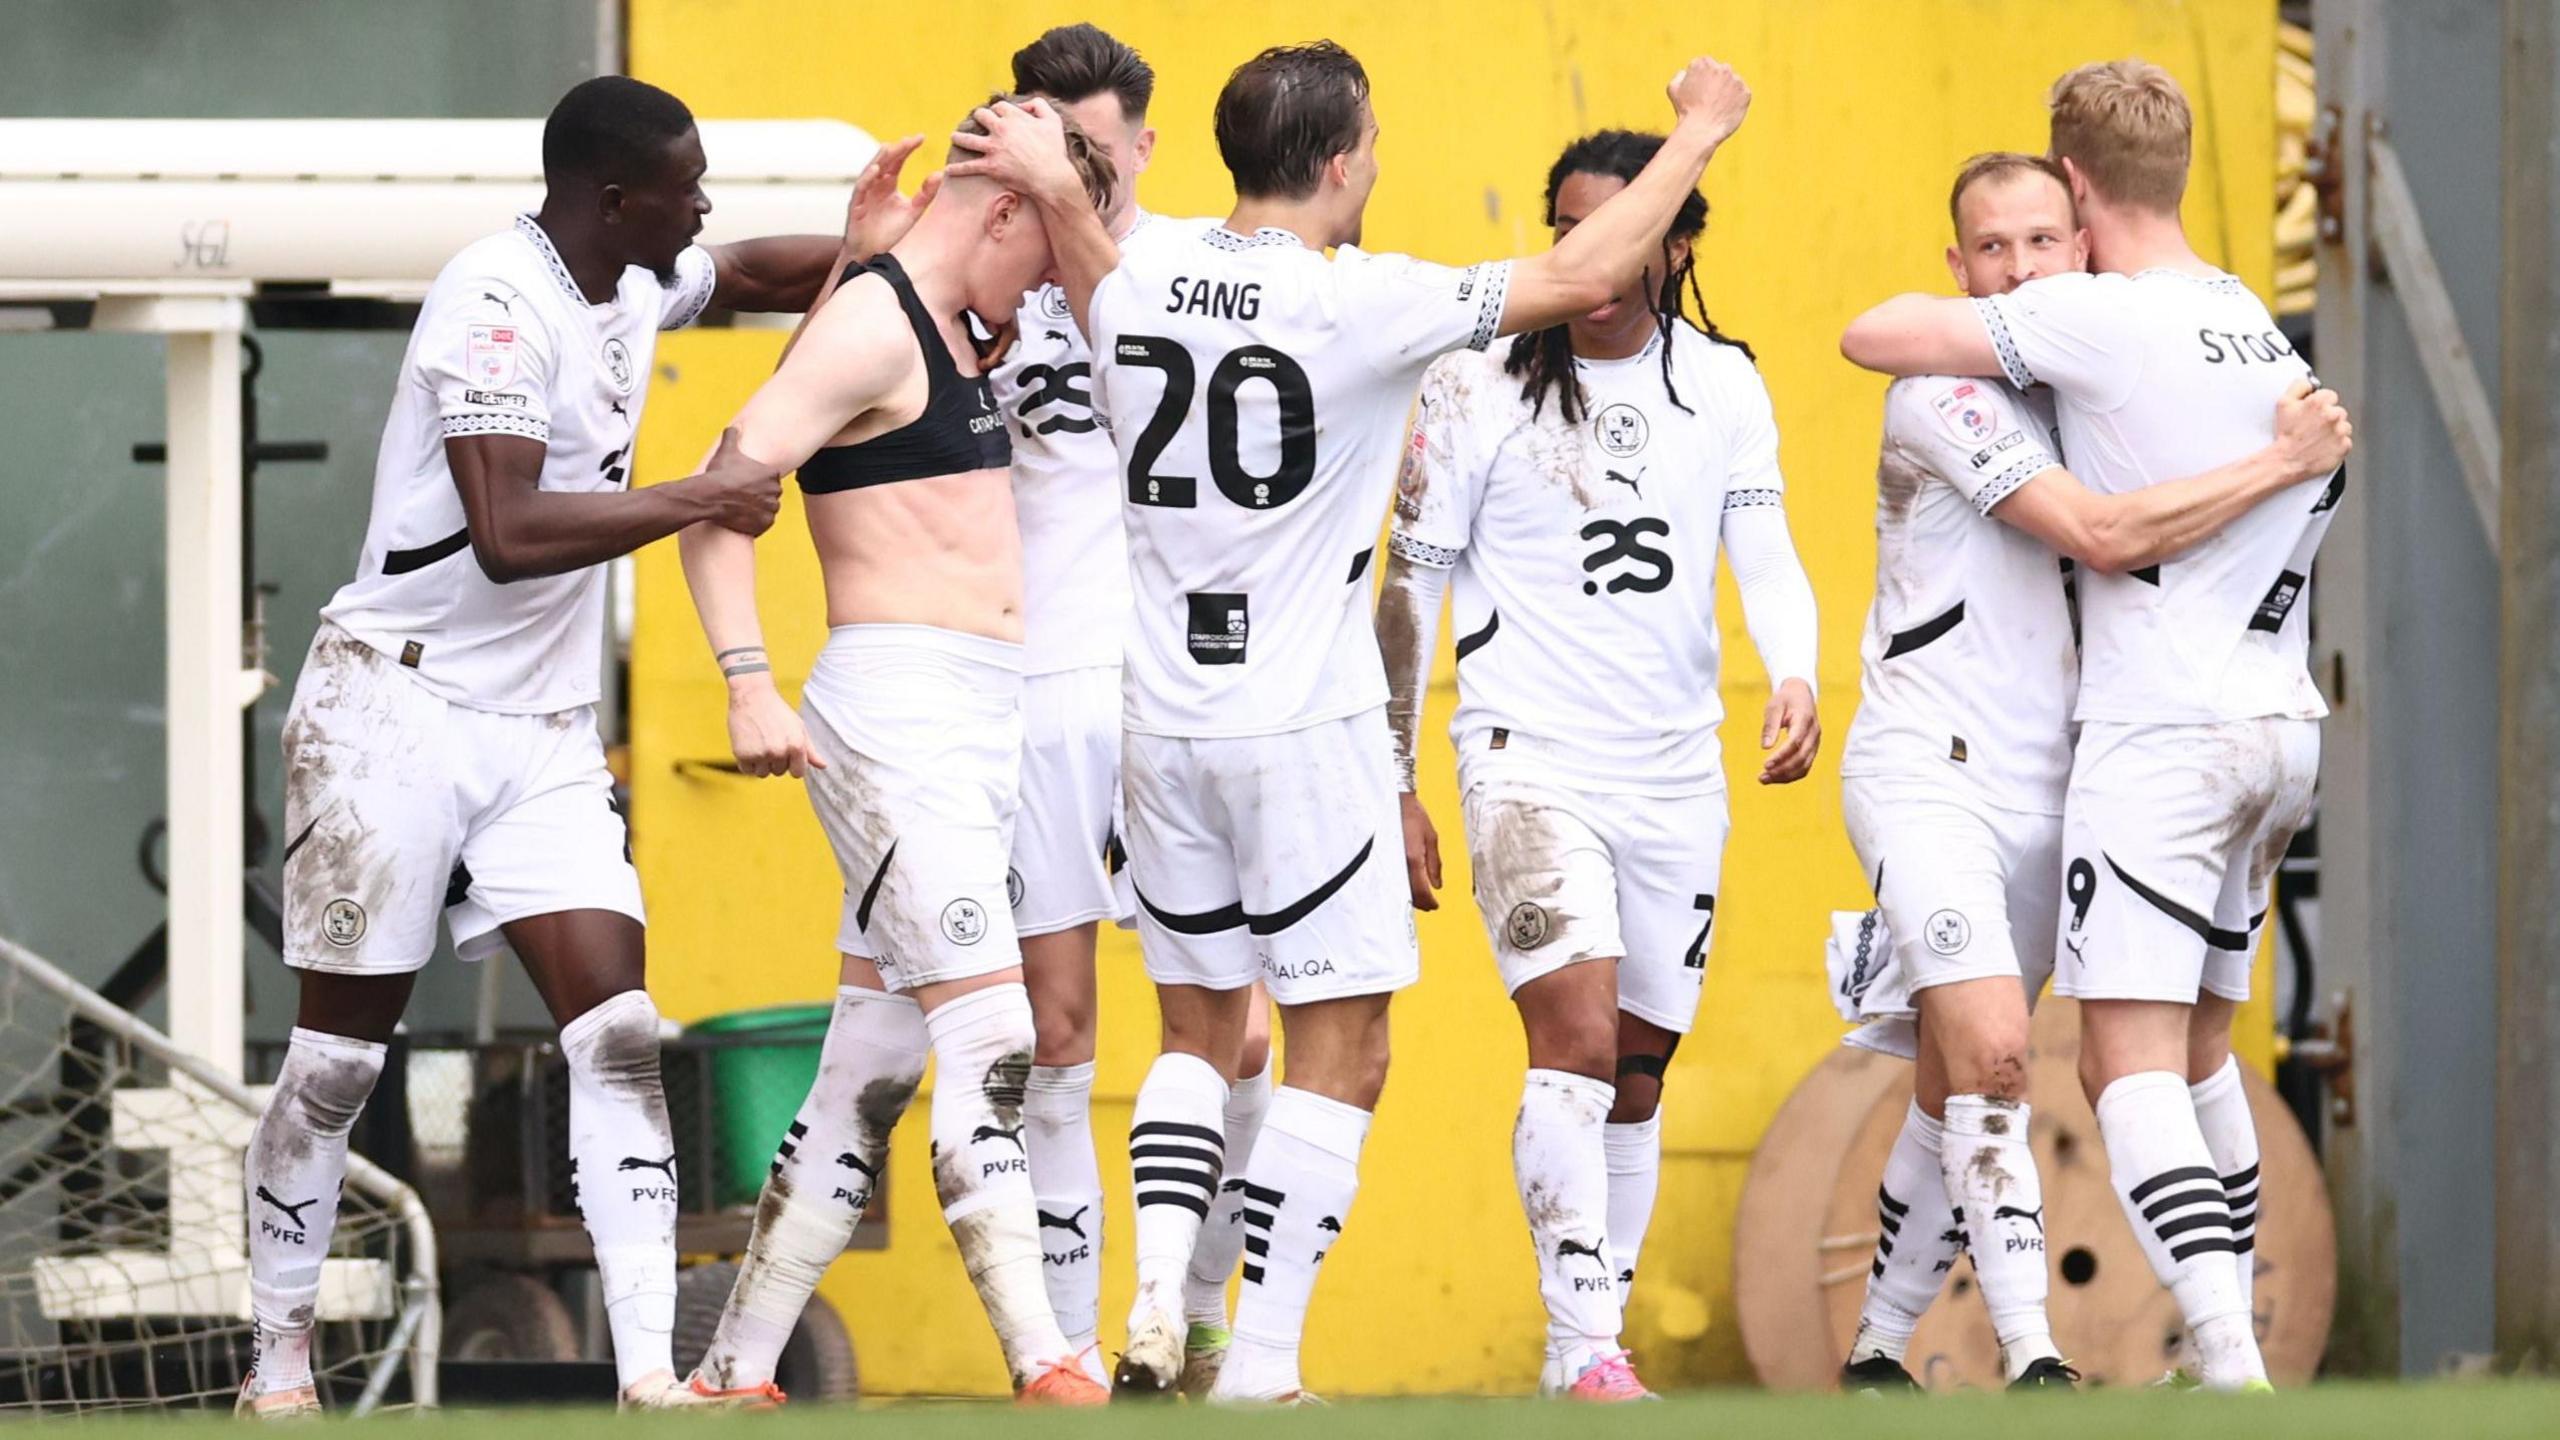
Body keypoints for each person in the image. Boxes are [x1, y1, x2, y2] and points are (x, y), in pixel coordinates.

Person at [950, 41, 1755, 1403]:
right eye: (1372, 144)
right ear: (1337, 163)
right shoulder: (1363, 300)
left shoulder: (1138, 270)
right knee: (1344, 1047)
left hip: (1163, 726)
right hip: (1307, 727)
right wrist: (1697, 137)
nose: (1377, 163)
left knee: (1197, 1033)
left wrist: (1046, 168)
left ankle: (1150, 1303)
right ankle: (1260, 1365)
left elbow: (1087, 255)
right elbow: (1587, 273)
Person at [242, 75, 850, 1418]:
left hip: (542, 735)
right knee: (337, 1066)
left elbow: (745, 269)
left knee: (619, 1028)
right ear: (611, 196)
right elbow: (510, 537)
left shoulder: (627, 279)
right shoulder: (496, 305)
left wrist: (886, 252)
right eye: (683, 184)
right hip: (390, 713)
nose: (702, 206)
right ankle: (277, 1363)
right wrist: (698, 495)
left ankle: (648, 1375)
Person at [1839, 62, 2348, 1391]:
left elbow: (2116, 535)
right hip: (2172, 739)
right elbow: (1895, 353)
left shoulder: (2095, 337)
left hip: (2140, 747)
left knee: (2091, 1064)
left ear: (2080, 208)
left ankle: (2205, 1357)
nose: (2017, 275)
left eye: (2038, 245)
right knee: (2030, 1054)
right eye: (1987, 253)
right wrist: (2285, 462)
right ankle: (2013, 1354)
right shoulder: (2245, 319)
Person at [671, 95, 1118, 1407]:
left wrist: (867, 251)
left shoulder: (925, 309)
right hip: (898, 716)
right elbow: (717, 503)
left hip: (983, 715)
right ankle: (1047, 1358)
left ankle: (734, 1370)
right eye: (1042, 246)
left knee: (869, 1062)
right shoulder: (877, 322)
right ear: (1000, 210)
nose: (1045, 288)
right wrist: (749, 686)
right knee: (995, 1031)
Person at [1374, 129, 1818, 1401]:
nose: (1600, 257)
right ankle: (1581, 1354)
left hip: (1675, 773)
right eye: (1572, 230)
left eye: (1628, 230)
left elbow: (1767, 549)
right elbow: (1410, 584)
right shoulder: (1476, 382)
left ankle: (1595, 1341)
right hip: (1527, 757)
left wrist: (1792, 670)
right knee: (1567, 1039)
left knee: (1633, 1071)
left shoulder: (1724, 385)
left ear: (1680, 240)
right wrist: (1395, 774)